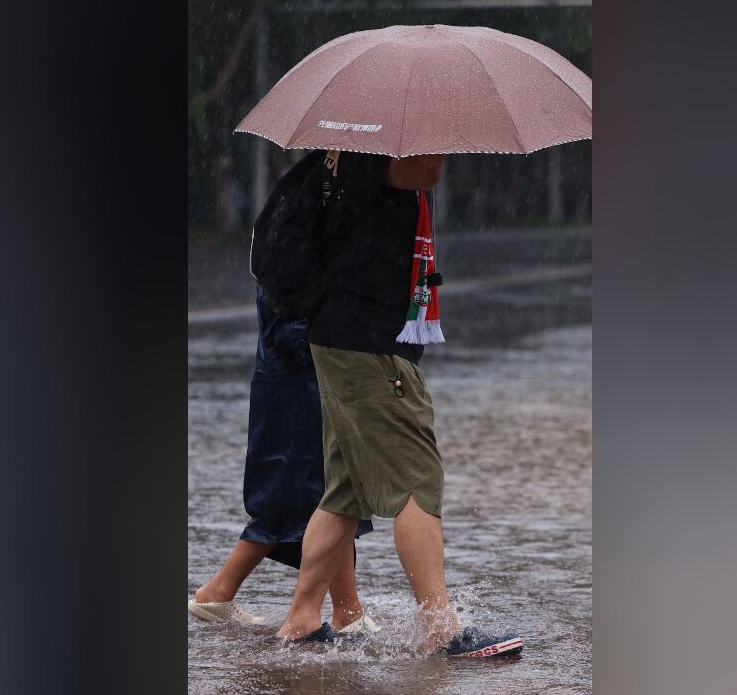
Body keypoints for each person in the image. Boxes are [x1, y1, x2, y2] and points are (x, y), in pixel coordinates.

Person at [273, 150, 525, 658]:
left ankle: (301, 618)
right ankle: (441, 628)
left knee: (344, 491)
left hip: (343, 337)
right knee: (417, 480)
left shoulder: (343, 150)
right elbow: (424, 171)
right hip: (369, 344)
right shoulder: (373, 152)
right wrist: (447, 128)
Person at [188, 167, 377, 635]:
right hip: (302, 372)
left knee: (323, 489)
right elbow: (297, 306)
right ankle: (219, 592)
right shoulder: (316, 207)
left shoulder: (297, 199)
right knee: (311, 491)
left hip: (293, 368)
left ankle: (346, 608)